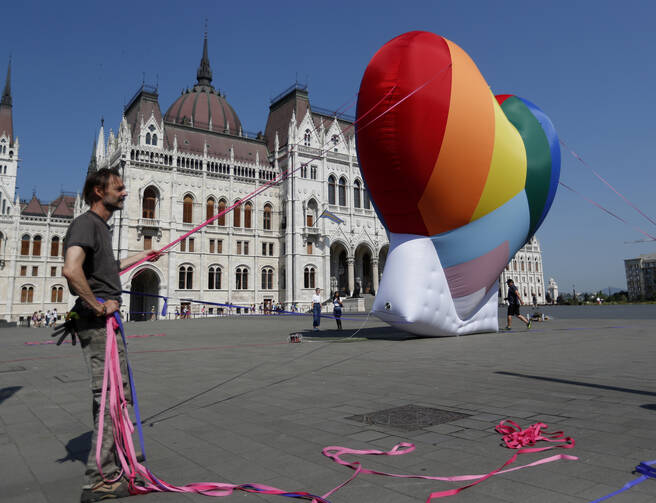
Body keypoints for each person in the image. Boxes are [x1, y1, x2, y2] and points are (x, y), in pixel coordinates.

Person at [57, 167, 160, 502]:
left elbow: (107, 270)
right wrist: (98, 306)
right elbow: (71, 269)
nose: (125, 192)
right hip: (98, 321)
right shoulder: (86, 223)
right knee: (108, 397)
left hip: (105, 322)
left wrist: (143, 256)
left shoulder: (100, 227)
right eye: (119, 188)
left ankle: (115, 462)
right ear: (99, 192)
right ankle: (98, 478)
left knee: (117, 394)